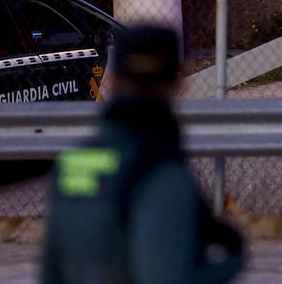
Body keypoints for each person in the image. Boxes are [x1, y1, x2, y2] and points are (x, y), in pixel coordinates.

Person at [41, 24, 245, 284]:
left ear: (111, 81)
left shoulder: (74, 162)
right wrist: (231, 264)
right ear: (180, 85)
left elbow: (51, 272)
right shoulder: (163, 174)